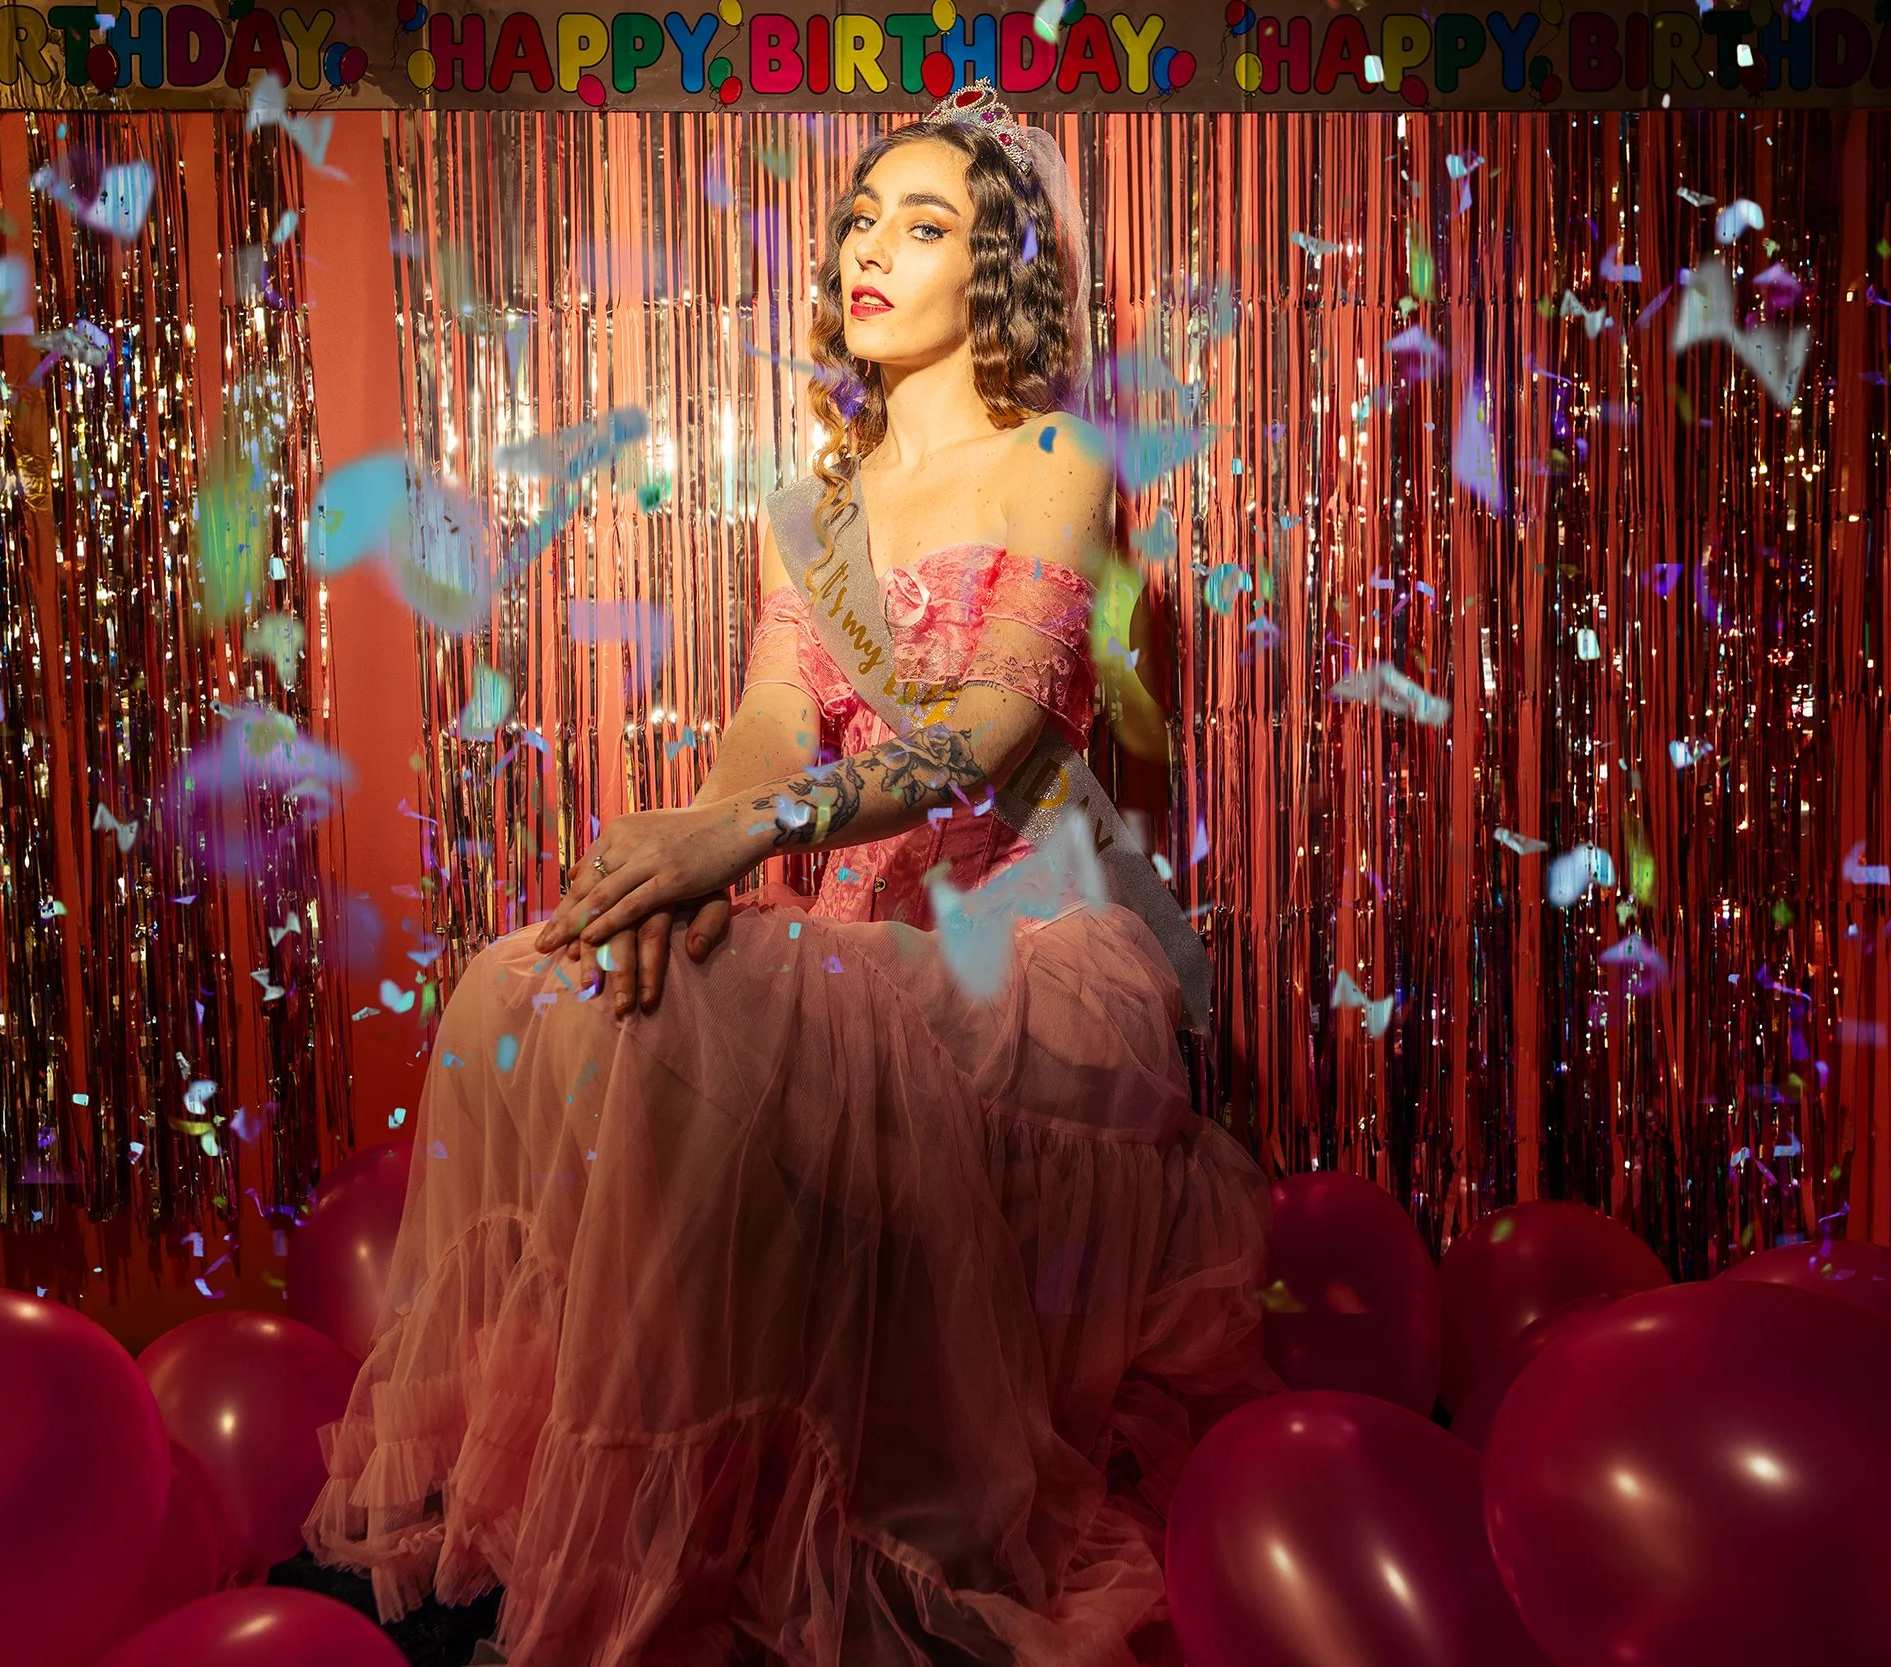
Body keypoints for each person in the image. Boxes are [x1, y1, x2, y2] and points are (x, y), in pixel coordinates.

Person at [298, 87, 1278, 1667]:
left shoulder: (1056, 458)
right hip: (849, 928)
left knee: (737, 998)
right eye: (862, 220)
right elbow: (770, 722)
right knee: (524, 984)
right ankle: (656, 1537)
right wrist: (681, 857)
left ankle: (819, 1550)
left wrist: (745, 842)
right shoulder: (809, 504)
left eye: (925, 225)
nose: (872, 250)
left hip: (1017, 940)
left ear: (998, 271)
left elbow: (986, 734)